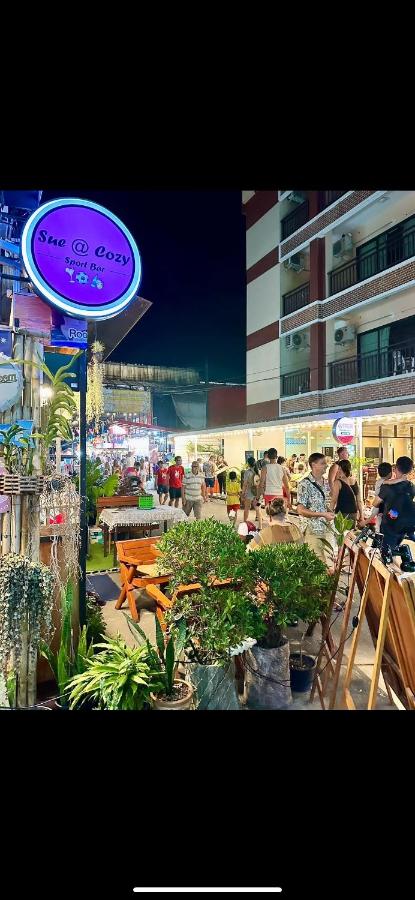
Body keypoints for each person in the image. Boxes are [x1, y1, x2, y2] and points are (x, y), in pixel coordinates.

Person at [296, 452, 336, 570]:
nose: (326, 466)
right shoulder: (305, 484)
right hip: (313, 529)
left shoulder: (325, 482)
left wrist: (329, 512)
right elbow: (300, 510)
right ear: (313, 465)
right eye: (323, 463)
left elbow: (322, 504)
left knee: (328, 563)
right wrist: (322, 514)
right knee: (318, 564)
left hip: (326, 528)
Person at [369, 456, 415, 554]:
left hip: (390, 525)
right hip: (405, 525)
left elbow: (375, 503)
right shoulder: (411, 486)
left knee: (387, 553)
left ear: (396, 468)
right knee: (396, 550)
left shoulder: (387, 487)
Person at [330, 458, 365, 527]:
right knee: (351, 533)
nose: (338, 471)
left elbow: (333, 500)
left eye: (339, 469)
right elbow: (359, 501)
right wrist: (361, 515)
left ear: (343, 469)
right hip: (353, 513)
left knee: (341, 533)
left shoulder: (338, 482)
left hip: (341, 513)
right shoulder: (355, 481)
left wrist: (329, 513)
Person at [241, 457, 259, 523]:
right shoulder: (258, 471)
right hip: (257, 491)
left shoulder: (247, 472)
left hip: (249, 491)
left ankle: (245, 521)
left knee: (247, 507)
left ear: (248, 464)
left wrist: (243, 493)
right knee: (257, 506)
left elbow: (245, 484)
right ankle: (258, 517)